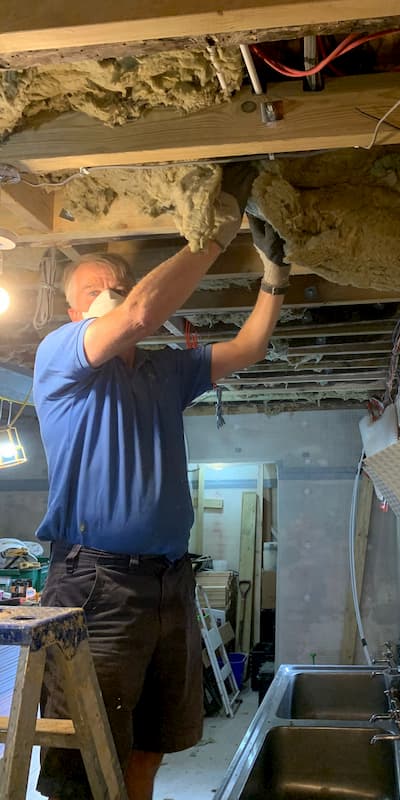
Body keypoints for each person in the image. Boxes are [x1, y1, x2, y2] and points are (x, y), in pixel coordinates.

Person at [32, 164, 291, 800]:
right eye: (98, 287)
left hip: (169, 580)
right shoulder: (60, 357)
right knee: (83, 761)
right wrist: (213, 231)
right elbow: (142, 312)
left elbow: (251, 347)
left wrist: (274, 277)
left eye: (120, 280)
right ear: (74, 311)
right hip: (96, 583)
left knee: (149, 748)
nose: (115, 289)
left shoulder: (164, 374)